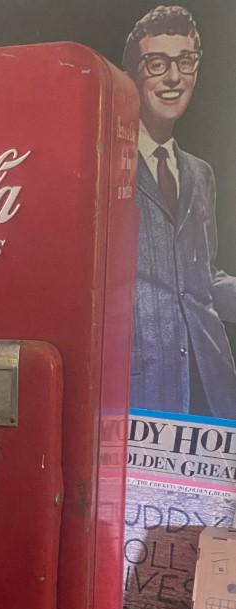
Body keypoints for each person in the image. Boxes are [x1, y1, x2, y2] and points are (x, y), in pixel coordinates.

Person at [123, 5, 236, 419]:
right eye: (157, 63)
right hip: (144, 387)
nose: (173, 78)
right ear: (133, 75)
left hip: (212, 381)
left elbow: (200, 279)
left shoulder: (201, 173)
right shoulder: (104, 162)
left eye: (185, 62)